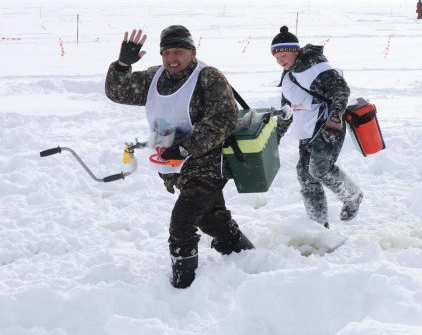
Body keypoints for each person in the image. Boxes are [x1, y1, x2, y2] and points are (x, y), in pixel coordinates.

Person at [105, 26, 254, 289]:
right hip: (176, 167)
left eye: (180, 52)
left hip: (209, 165)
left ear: (193, 52)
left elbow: (224, 118)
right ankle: (248, 258)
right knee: (211, 219)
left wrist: (185, 147)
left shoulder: (208, 77)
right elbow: (119, 92)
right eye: (167, 52)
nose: (173, 58)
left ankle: (183, 288)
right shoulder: (156, 77)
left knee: (182, 223)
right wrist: (122, 65)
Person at [270, 26, 362, 228]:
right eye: (276, 58)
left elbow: (341, 90)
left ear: (295, 50)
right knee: (305, 175)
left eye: (283, 55)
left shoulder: (316, 66)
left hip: (329, 125)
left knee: (319, 169)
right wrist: (275, 136)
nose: (280, 61)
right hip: (307, 129)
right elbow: (288, 109)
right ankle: (318, 225)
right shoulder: (287, 76)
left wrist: (336, 117)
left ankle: (352, 195)